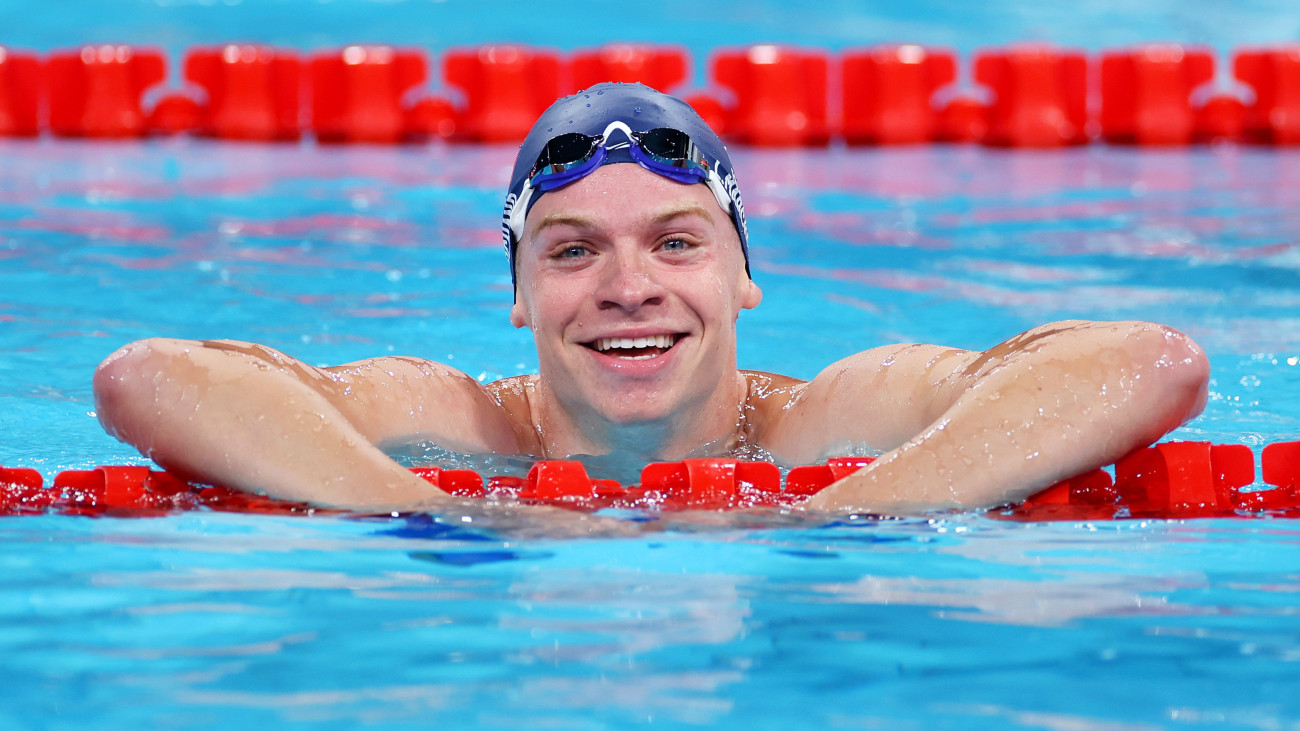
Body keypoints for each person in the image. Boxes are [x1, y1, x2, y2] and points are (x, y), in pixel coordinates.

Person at [93, 83, 1210, 515]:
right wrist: (442, 510)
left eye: (676, 241)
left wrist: (826, 514)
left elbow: (1146, 363)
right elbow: (153, 378)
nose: (629, 289)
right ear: (520, 298)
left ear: (742, 275)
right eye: (571, 250)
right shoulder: (467, 423)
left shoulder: (817, 419)